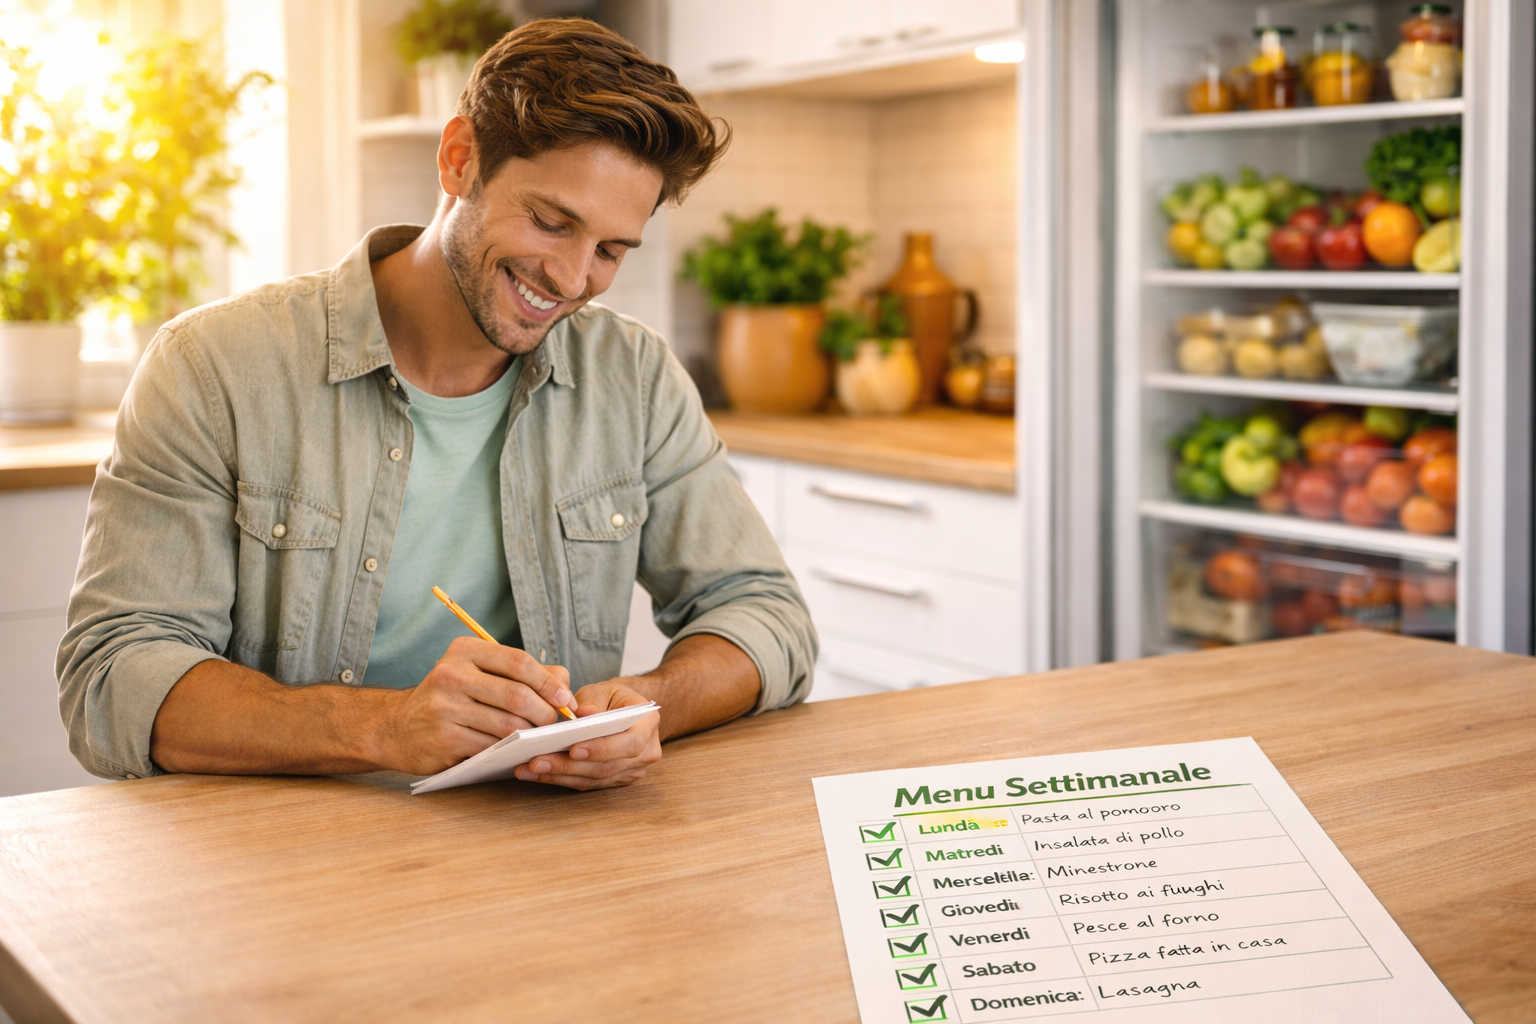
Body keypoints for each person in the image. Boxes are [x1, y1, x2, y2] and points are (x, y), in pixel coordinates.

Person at [57, 18, 816, 791]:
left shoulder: (635, 377)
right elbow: (114, 677)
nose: (572, 277)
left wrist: (646, 706)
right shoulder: (214, 367)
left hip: (532, 844)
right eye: (552, 222)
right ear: (460, 160)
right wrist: (384, 728)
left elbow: (765, 616)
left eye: (612, 250)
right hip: (279, 857)